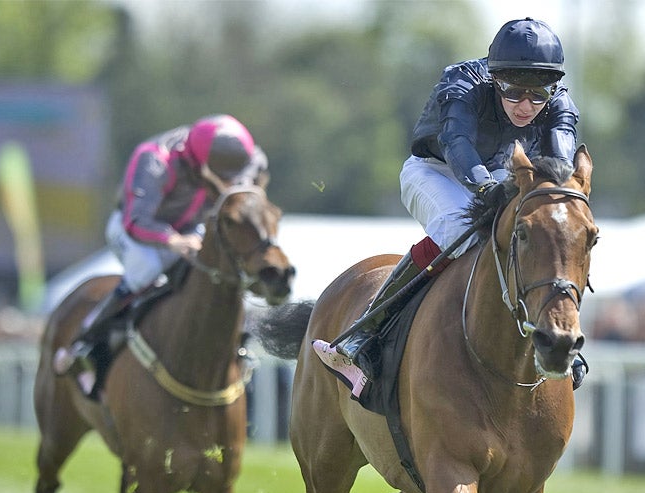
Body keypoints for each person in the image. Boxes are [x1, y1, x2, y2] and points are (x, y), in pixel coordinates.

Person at [312, 17, 584, 398]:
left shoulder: (560, 103)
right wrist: (485, 185)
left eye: (538, 95)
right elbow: (457, 143)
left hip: (503, 174)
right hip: (436, 171)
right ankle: (367, 331)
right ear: (494, 79)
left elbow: (560, 164)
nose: (526, 105)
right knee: (459, 231)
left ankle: (554, 332)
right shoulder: (463, 82)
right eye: (514, 92)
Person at [54, 114, 269, 380]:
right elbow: (137, 220)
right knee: (150, 268)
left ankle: (237, 342)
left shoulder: (244, 157)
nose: (228, 184)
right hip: (134, 227)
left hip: (191, 228)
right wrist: (174, 241)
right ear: (200, 164)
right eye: (220, 179)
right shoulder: (155, 160)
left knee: (225, 265)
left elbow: (258, 170)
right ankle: (85, 341)